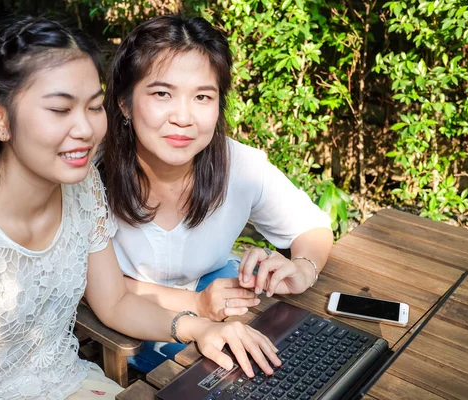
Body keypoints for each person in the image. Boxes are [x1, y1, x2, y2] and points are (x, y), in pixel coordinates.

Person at [0, 16, 282, 400]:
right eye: (60, 110)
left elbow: (115, 302)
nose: (85, 129)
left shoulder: (81, 188)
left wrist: (199, 329)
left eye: (94, 107)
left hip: (70, 382)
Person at [101, 15, 334, 373]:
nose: (183, 117)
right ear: (124, 103)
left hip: (222, 305)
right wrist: (196, 304)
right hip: (130, 329)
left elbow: (312, 228)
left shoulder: (240, 165)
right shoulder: (89, 176)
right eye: (162, 93)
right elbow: (96, 289)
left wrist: (303, 268)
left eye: (202, 96)